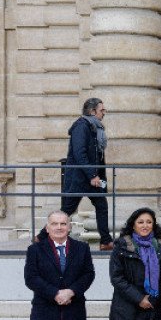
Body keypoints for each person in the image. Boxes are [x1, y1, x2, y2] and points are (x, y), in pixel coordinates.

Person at [60, 97, 113, 250]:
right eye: (101, 110)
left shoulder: (94, 127)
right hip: (80, 177)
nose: (104, 113)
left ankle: (105, 241)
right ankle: (42, 237)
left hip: (90, 177)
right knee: (67, 210)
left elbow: (95, 154)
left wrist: (96, 176)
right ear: (92, 111)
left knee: (101, 205)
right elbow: (79, 153)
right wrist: (92, 175)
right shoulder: (81, 126)